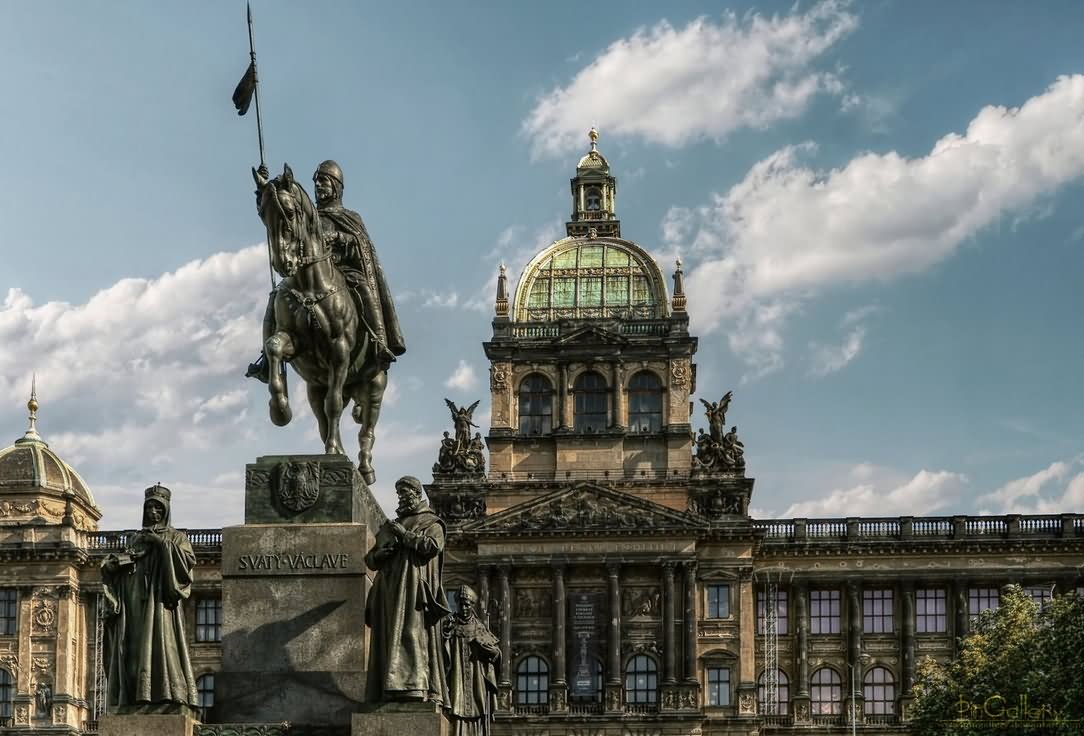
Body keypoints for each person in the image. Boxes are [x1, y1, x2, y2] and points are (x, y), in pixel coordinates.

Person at [247, 159, 406, 382]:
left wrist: (338, 237)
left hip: (344, 271)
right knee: (276, 296)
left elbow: (360, 243)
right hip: (307, 274)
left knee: (364, 289)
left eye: (323, 181)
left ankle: (379, 341)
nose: (318, 185)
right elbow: (278, 212)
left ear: (336, 186)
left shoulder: (350, 217)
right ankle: (266, 360)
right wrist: (263, 189)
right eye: (316, 181)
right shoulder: (308, 214)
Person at [101, 484, 198, 710]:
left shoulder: (177, 537)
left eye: (158, 507)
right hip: (134, 601)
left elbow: (187, 564)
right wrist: (116, 565)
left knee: (162, 646)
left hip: (161, 601)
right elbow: (124, 565)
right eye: (149, 507)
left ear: (166, 510)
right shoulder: (136, 538)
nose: (153, 512)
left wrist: (161, 544)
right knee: (134, 648)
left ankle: (168, 693)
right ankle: (136, 695)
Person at [364, 476, 451, 703]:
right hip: (390, 590)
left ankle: (414, 687)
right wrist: (380, 554)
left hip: (413, 590)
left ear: (416, 493)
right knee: (389, 638)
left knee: (411, 635)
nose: (401, 497)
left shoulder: (432, 523)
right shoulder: (392, 524)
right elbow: (370, 560)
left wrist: (404, 535)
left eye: (405, 493)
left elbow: (432, 546)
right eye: (399, 493)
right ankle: (387, 688)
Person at [444, 585, 500, 736]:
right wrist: (446, 634)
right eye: (461, 604)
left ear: (472, 605)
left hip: (477, 678)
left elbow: (496, 653)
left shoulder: (479, 627)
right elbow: (441, 652)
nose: (463, 608)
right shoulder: (450, 625)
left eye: (467, 605)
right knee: (456, 705)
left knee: (478, 706)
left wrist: (488, 650)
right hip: (457, 676)